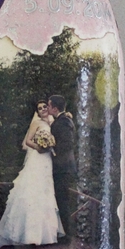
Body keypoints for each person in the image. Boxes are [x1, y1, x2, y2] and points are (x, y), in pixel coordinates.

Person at [0, 102, 65, 248]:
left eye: (45, 107)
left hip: (47, 160)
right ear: (37, 112)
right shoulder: (36, 123)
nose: (43, 109)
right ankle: (29, 234)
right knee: (32, 190)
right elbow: (28, 141)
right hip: (37, 158)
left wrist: (49, 144)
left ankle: (45, 234)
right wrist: (39, 147)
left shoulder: (52, 122)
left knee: (45, 191)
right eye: (40, 108)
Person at [45, 94, 77, 238]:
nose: (47, 107)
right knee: (59, 200)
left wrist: (52, 148)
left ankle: (67, 235)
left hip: (63, 167)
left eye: (49, 105)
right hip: (61, 167)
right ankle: (62, 233)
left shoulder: (63, 122)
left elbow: (67, 144)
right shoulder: (61, 120)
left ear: (55, 108)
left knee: (62, 201)